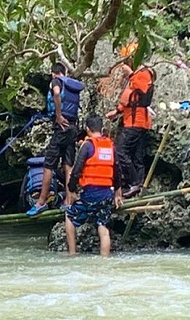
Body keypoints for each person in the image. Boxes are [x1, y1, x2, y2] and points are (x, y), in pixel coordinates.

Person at [27, 61, 84, 215]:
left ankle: (41, 202)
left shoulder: (56, 81)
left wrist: (58, 115)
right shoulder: (73, 85)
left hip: (61, 127)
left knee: (48, 165)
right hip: (73, 127)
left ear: (53, 72)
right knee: (68, 165)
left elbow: (57, 93)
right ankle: (69, 199)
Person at [63, 116, 123, 256]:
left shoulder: (88, 145)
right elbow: (117, 170)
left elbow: (77, 170)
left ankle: (72, 253)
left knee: (69, 215)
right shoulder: (110, 146)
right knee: (103, 225)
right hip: (107, 194)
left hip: (90, 194)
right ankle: (104, 259)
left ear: (88, 130)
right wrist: (117, 193)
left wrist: (71, 190)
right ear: (102, 130)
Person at [105, 42, 155, 198]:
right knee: (136, 156)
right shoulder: (135, 76)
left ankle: (133, 183)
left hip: (136, 122)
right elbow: (131, 99)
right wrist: (116, 111)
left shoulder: (143, 73)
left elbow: (142, 90)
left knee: (120, 151)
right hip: (136, 121)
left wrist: (131, 74)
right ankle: (137, 185)